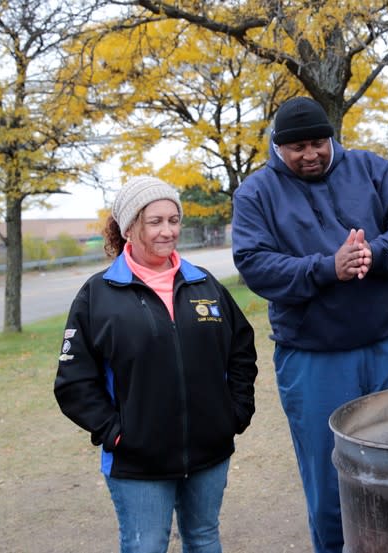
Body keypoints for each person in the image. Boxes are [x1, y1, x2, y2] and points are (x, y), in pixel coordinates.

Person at [231, 96, 388, 553]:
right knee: (332, 480)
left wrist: (374, 254)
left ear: (331, 138)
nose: (311, 155)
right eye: (297, 147)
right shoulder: (256, 194)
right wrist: (327, 268)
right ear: (278, 148)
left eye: (318, 143)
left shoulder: (369, 168)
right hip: (315, 357)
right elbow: (254, 264)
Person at [54, 176, 258, 553]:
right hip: (138, 460)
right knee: (146, 545)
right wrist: (116, 433)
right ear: (130, 228)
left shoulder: (204, 285)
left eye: (174, 220)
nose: (169, 231)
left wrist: (235, 412)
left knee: (204, 538)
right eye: (156, 221)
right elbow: (73, 381)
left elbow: (241, 349)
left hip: (209, 452)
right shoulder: (98, 296)